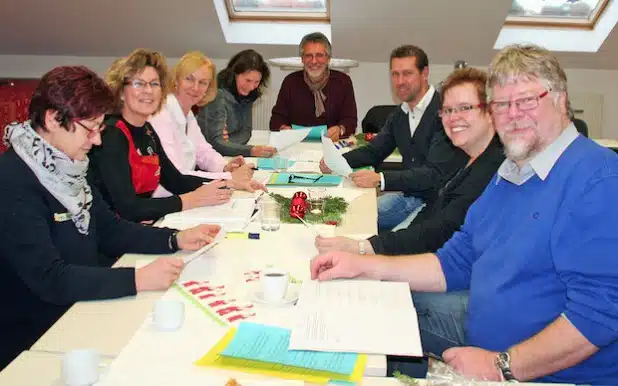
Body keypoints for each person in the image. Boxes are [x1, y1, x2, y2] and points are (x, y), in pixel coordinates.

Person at [310, 44, 618, 385]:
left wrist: (502, 365)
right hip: (483, 332)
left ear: (560, 99)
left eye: (527, 100)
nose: (512, 114)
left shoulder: (598, 179)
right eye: (501, 104)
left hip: (544, 373)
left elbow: (599, 316)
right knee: (350, 307)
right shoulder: (511, 172)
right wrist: (364, 264)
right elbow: (456, 261)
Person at [0, 66, 221, 370]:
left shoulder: (69, 166)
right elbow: (49, 278)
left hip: (83, 309)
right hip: (36, 338)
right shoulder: (13, 181)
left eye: (99, 129)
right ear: (52, 118)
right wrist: (136, 278)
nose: (97, 141)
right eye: (89, 129)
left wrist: (173, 238)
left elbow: (108, 228)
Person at [316, 67, 503, 256]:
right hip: (430, 234)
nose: (454, 118)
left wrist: (366, 248)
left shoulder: (493, 171)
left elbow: (438, 233)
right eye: (448, 110)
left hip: (450, 270)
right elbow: (433, 218)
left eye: (465, 108)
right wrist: (337, 160)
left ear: (490, 111)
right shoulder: (469, 159)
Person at [320, 45, 467, 231]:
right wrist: (336, 161)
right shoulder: (400, 115)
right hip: (409, 198)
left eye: (407, 73)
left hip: (438, 206)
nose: (400, 81)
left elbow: (433, 174)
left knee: (386, 245)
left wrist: (380, 178)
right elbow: (375, 151)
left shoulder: (445, 113)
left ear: (425, 73)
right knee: (348, 218)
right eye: (395, 74)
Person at [89, 49, 232, 223]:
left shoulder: (147, 130)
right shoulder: (112, 135)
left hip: (138, 226)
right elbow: (129, 208)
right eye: (139, 83)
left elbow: (176, 181)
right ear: (120, 91)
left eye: (154, 84)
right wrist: (190, 200)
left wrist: (226, 185)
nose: (148, 91)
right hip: (111, 239)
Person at [148, 51, 264, 197]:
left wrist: (225, 166)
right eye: (189, 79)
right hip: (166, 198)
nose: (196, 88)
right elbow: (176, 175)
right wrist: (229, 178)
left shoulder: (187, 112)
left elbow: (203, 151)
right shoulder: (161, 114)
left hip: (186, 193)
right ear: (176, 80)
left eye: (203, 82)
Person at [269, 32, 357, 141]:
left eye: (319, 55)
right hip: (297, 144)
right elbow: (276, 119)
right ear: (302, 59)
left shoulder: (343, 82)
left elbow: (350, 120)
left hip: (332, 144)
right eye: (308, 56)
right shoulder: (290, 82)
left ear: (328, 58)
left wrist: (340, 129)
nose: (314, 61)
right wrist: (283, 128)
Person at [197, 49, 276, 158]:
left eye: (256, 82)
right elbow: (214, 144)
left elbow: (246, 133)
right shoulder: (216, 94)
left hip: (225, 155)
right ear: (234, 75)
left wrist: (228, 143)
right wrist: (250, 151)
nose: (251, 87)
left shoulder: (249, 94)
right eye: (247, 80)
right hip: (205, 157)